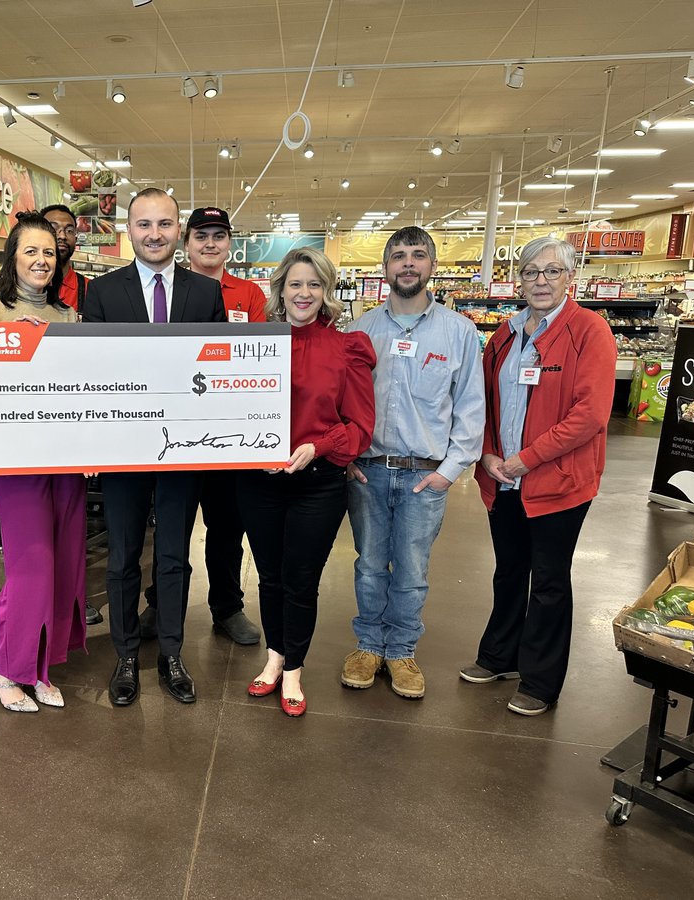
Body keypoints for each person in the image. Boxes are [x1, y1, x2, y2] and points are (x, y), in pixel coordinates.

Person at [81, 188, 225, 707]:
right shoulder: (101, 292)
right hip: (123, 448)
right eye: (144, 225)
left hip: (184, 448)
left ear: (177, 228)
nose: (154, 234)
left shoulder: (204, 293)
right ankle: (123, 654)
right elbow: (93, 371)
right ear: (129, 230)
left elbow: (217, 367)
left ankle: (170, 652)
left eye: (165, 224)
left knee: (173, 557)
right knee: (121, 557)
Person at [461, 236, 616, 716]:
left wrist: (528, 458)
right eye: (531, 272)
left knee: (549, 579)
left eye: (552, 271)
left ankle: (540, 681)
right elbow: (480, 401)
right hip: (503, 477)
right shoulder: (504, 335)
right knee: (509, 570)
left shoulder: (589, 331)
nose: (541, 280)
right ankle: (500, 656)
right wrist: (487, 454)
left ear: (570, 277)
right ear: (519, 280)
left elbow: (589, 414)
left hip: (558, 481)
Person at [343, 226, 485, 700]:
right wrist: (345, 456)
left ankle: (401, 650)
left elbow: (470, 407)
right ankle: (367, 645)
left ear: (432, 266)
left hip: (425, 474)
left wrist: (449, 472)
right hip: (368, 469)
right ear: (384, 269)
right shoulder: (361, 330)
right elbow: (341, 401)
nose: (408, 263)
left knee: (411, 569)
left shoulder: (459, 331)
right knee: (367, 565)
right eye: (398, 256)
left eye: (417, 255)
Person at [240, 247, 375, 717]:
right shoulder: (254, 341)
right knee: (271, 576)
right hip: (259, 481)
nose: (304, 293)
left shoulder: (346, 348)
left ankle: (293, 668)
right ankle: (274, 657)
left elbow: (360, 425)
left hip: (317, 482)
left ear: (326, 291)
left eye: (314, 284)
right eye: (296, 283)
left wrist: (318, 447)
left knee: (301, 579)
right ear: (280, 288)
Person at [0, 213, 86, 712]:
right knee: (31, 565)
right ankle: (5, 666)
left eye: (49, 253)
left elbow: (84, 390)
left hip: (65, 462)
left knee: (65, 564)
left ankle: (38, 668)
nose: (41, 260)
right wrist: (13, 340)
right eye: (30, 251)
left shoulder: (71, 317)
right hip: (16, 462)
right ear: (12, 257)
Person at [137, 206, 264, 646]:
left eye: (219, 236)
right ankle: (160, 602)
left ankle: (227, 606)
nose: (210, 243)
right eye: (201, 235)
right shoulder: (164, 290)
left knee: (227, 528)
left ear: (230, 243)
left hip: (228, 435)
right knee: (171, 527)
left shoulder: (249, 295)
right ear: (185, 242)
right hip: (176, 431)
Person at [41, 203, 103, 626]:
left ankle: (73, 602)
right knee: (34, 539)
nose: (60, 237)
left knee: (71, 530)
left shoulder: (86, 291)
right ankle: (40, 605)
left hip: (71, 424)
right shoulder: (2, 296)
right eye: (51, 229)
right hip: (29, 425)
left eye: (67, 229)